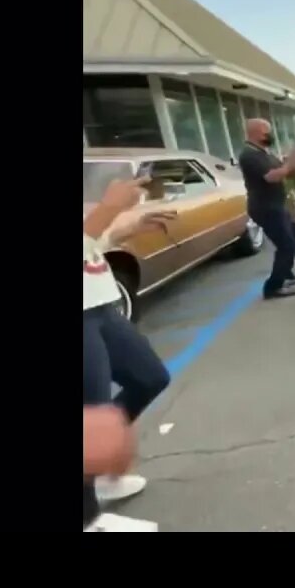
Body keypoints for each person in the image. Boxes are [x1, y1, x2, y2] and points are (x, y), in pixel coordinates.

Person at [84, 177, 175, 528]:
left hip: (99, 301)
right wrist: (108, 208)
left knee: (149, 378)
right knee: (89, 415)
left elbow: (89, 244)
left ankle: (99, 466)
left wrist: (120, 230)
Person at [238, 119, 295, 299]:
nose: (270, 135)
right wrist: (290, 163)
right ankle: (273, 287)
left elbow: (284, 170)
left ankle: (285, 273)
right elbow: (272, 177)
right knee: (286, 244)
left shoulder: (264, 154)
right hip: (264, 207)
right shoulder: (249, 155)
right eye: (266, 131)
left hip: (276, 205)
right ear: (255, 132)